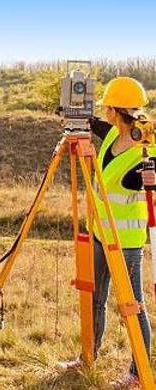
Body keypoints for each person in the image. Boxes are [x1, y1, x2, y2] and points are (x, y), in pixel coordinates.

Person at [57, 77, 156, 388]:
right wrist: (71, 111)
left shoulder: (147, 148)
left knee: (133, 306)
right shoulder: (114, 132)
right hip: (101, 232)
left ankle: (139, 372)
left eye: (107, 108)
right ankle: (88, 357)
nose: (104, 113)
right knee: (96, 296)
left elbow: (146, 182)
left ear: (115, 110)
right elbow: (91, 122)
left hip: (126, 241)